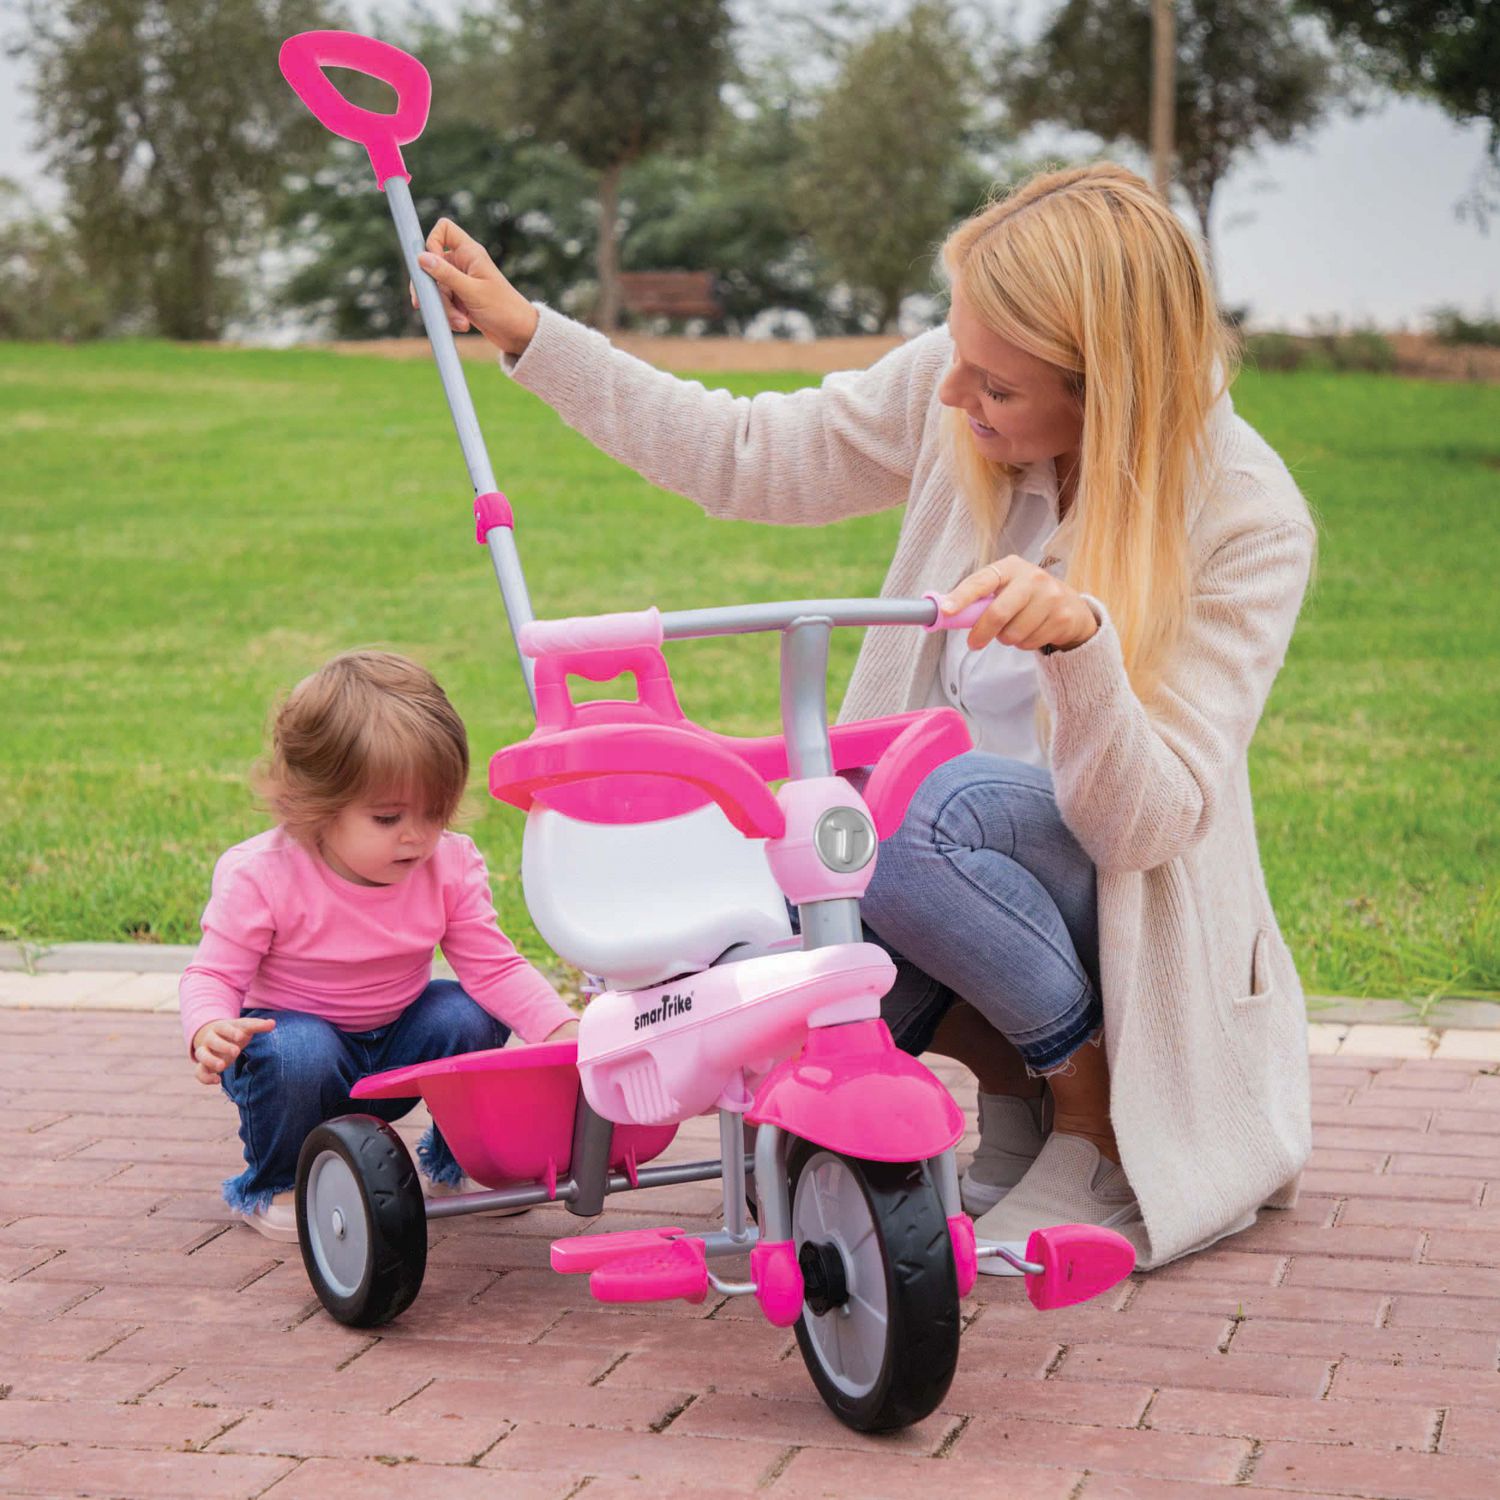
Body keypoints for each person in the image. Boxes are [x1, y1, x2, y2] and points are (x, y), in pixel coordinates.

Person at [411, 163, 1316, 1271]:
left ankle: (1097, 1124)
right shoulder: (959, 387)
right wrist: (535, 335)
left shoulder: (1249, 518)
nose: (951, 397)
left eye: (994, 385)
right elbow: (750, 455)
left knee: (908, 810)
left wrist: (1081, 649)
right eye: (957, 356)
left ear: (1105, 393)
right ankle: (1018, 1096)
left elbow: (1147, 827)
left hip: (1116, 898)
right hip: (934, 880)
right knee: (820, 914)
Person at [179, 649, 578, 1242]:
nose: (416, 836)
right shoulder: (262, 874)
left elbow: (493, 967)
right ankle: (278, 1181)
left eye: (434, 813)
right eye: (388, 817)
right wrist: (208, 1027)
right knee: (298, 1047)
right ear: (318, 806)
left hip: (398, 1046)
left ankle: (463, 1161)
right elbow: (211, 975)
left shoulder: (448, 864)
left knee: (466, 1013)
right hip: (296, 1061)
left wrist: (560, 1029)